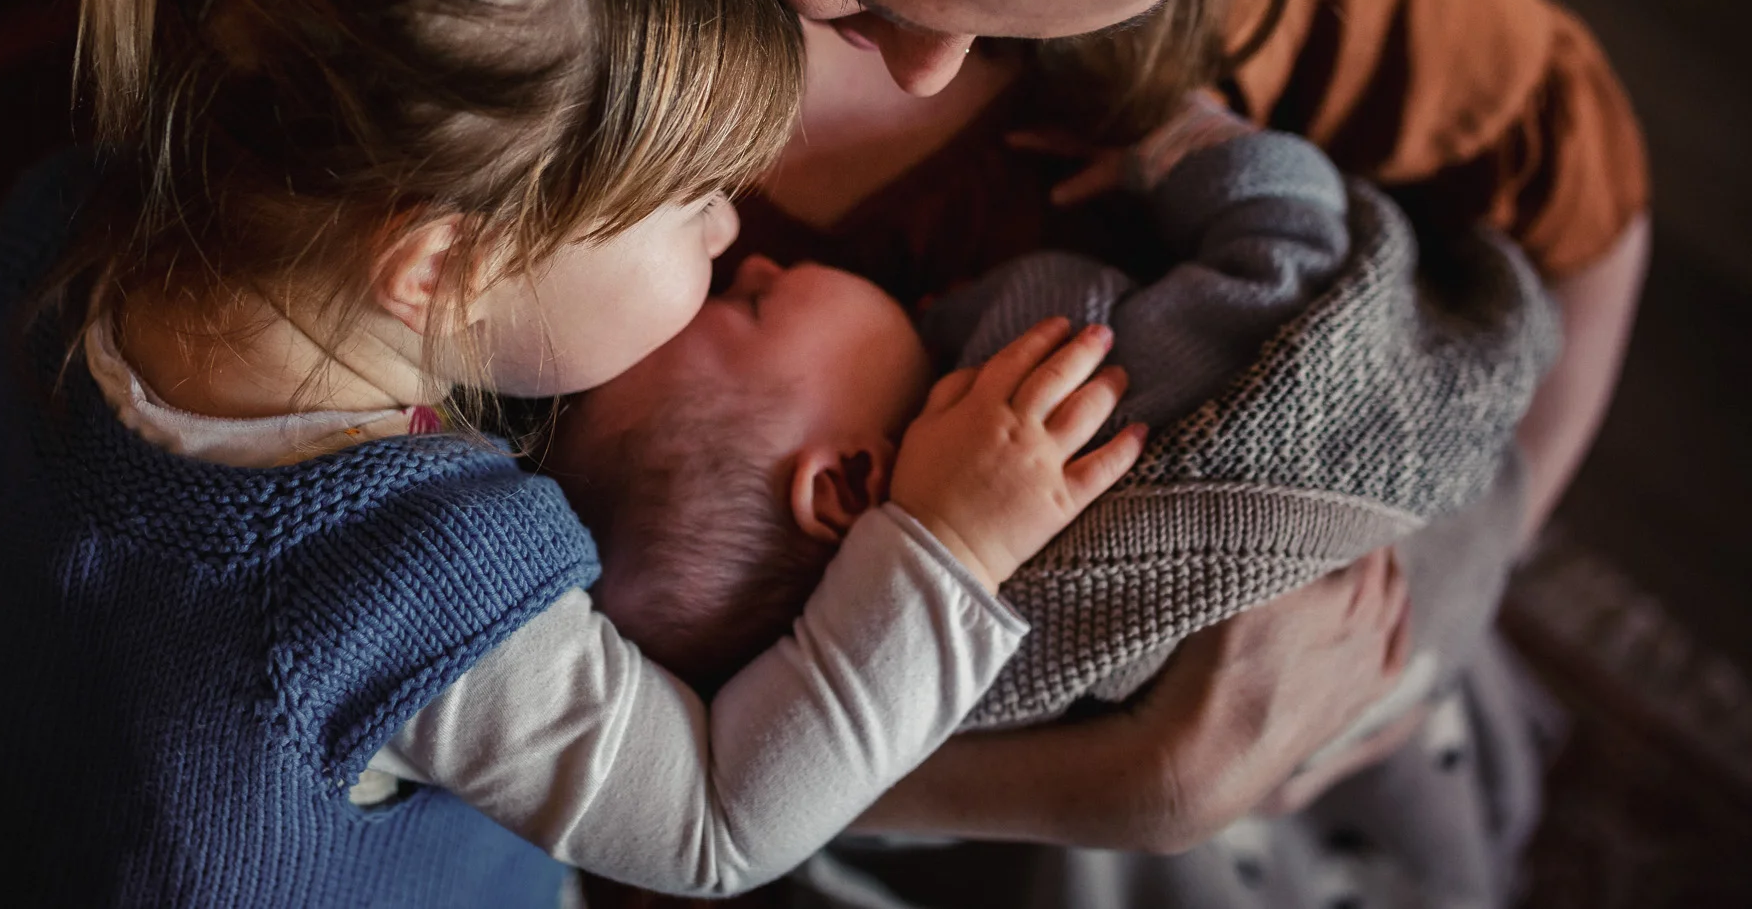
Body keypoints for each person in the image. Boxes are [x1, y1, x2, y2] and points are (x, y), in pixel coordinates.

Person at [478, 0, 1649, 898]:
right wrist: (1109, 784)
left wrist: (1442, 592)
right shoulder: (504, 3)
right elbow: (534, 717)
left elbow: (1577, 230)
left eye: (1046, 24)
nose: (928, 68)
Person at [0, 0, 1156, 906]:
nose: (730, 229)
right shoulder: (417, 582)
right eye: (699, 195)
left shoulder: (59, 224)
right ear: (443, 265)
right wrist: (944, 551)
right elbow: (712, 821)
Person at [545, 91, 1549, 732]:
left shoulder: (922, 677)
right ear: (845, 482)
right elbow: (1290, 258)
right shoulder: (1056, 378)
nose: (751, 259)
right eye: (748, 306)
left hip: (1375, 660)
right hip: (1422, 547)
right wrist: (1180, 142)